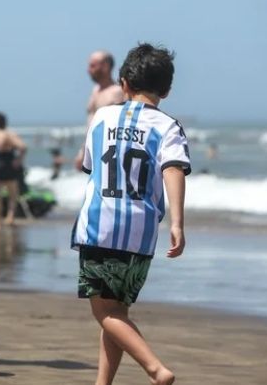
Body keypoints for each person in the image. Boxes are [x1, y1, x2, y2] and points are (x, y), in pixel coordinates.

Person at [71, 43, 190, 385]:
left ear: (123, 82)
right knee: (117, 312)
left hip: (100, 226)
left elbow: (90, 165)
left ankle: (156, 369)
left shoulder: (103, 115)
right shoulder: (168, 126)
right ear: (166, 90)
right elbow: (173, 170)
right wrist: (178, 223)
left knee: (104, 311)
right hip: (141, 233)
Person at [74, 50, 124, 171]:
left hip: (107, 154)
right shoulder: (95, 90)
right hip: (92, 150)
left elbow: (121, 126)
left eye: (93, 65)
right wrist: (83, 151)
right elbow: (91, 124)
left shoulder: (117, 92)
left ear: (105, 66)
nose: (88, 70)